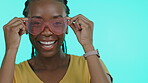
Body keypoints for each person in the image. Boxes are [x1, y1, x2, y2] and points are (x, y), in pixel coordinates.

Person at [0, 0, 113, 83]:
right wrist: (11, 48)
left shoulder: (89, 65)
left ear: (67, 26)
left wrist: (88, 45)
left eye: (57, 23)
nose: (47, 32)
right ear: (25, 26)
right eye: (36, 23)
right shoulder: (11, 73)